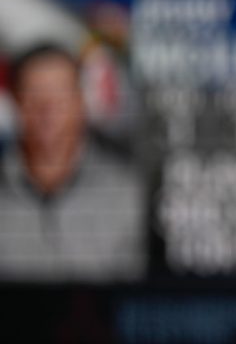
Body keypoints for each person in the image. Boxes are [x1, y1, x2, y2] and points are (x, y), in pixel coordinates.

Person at [0, 45, 144, 282]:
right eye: (35, 93)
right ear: (16, 100)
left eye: (60, 93)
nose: (48, 109)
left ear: (81, 101)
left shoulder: (128, 193)